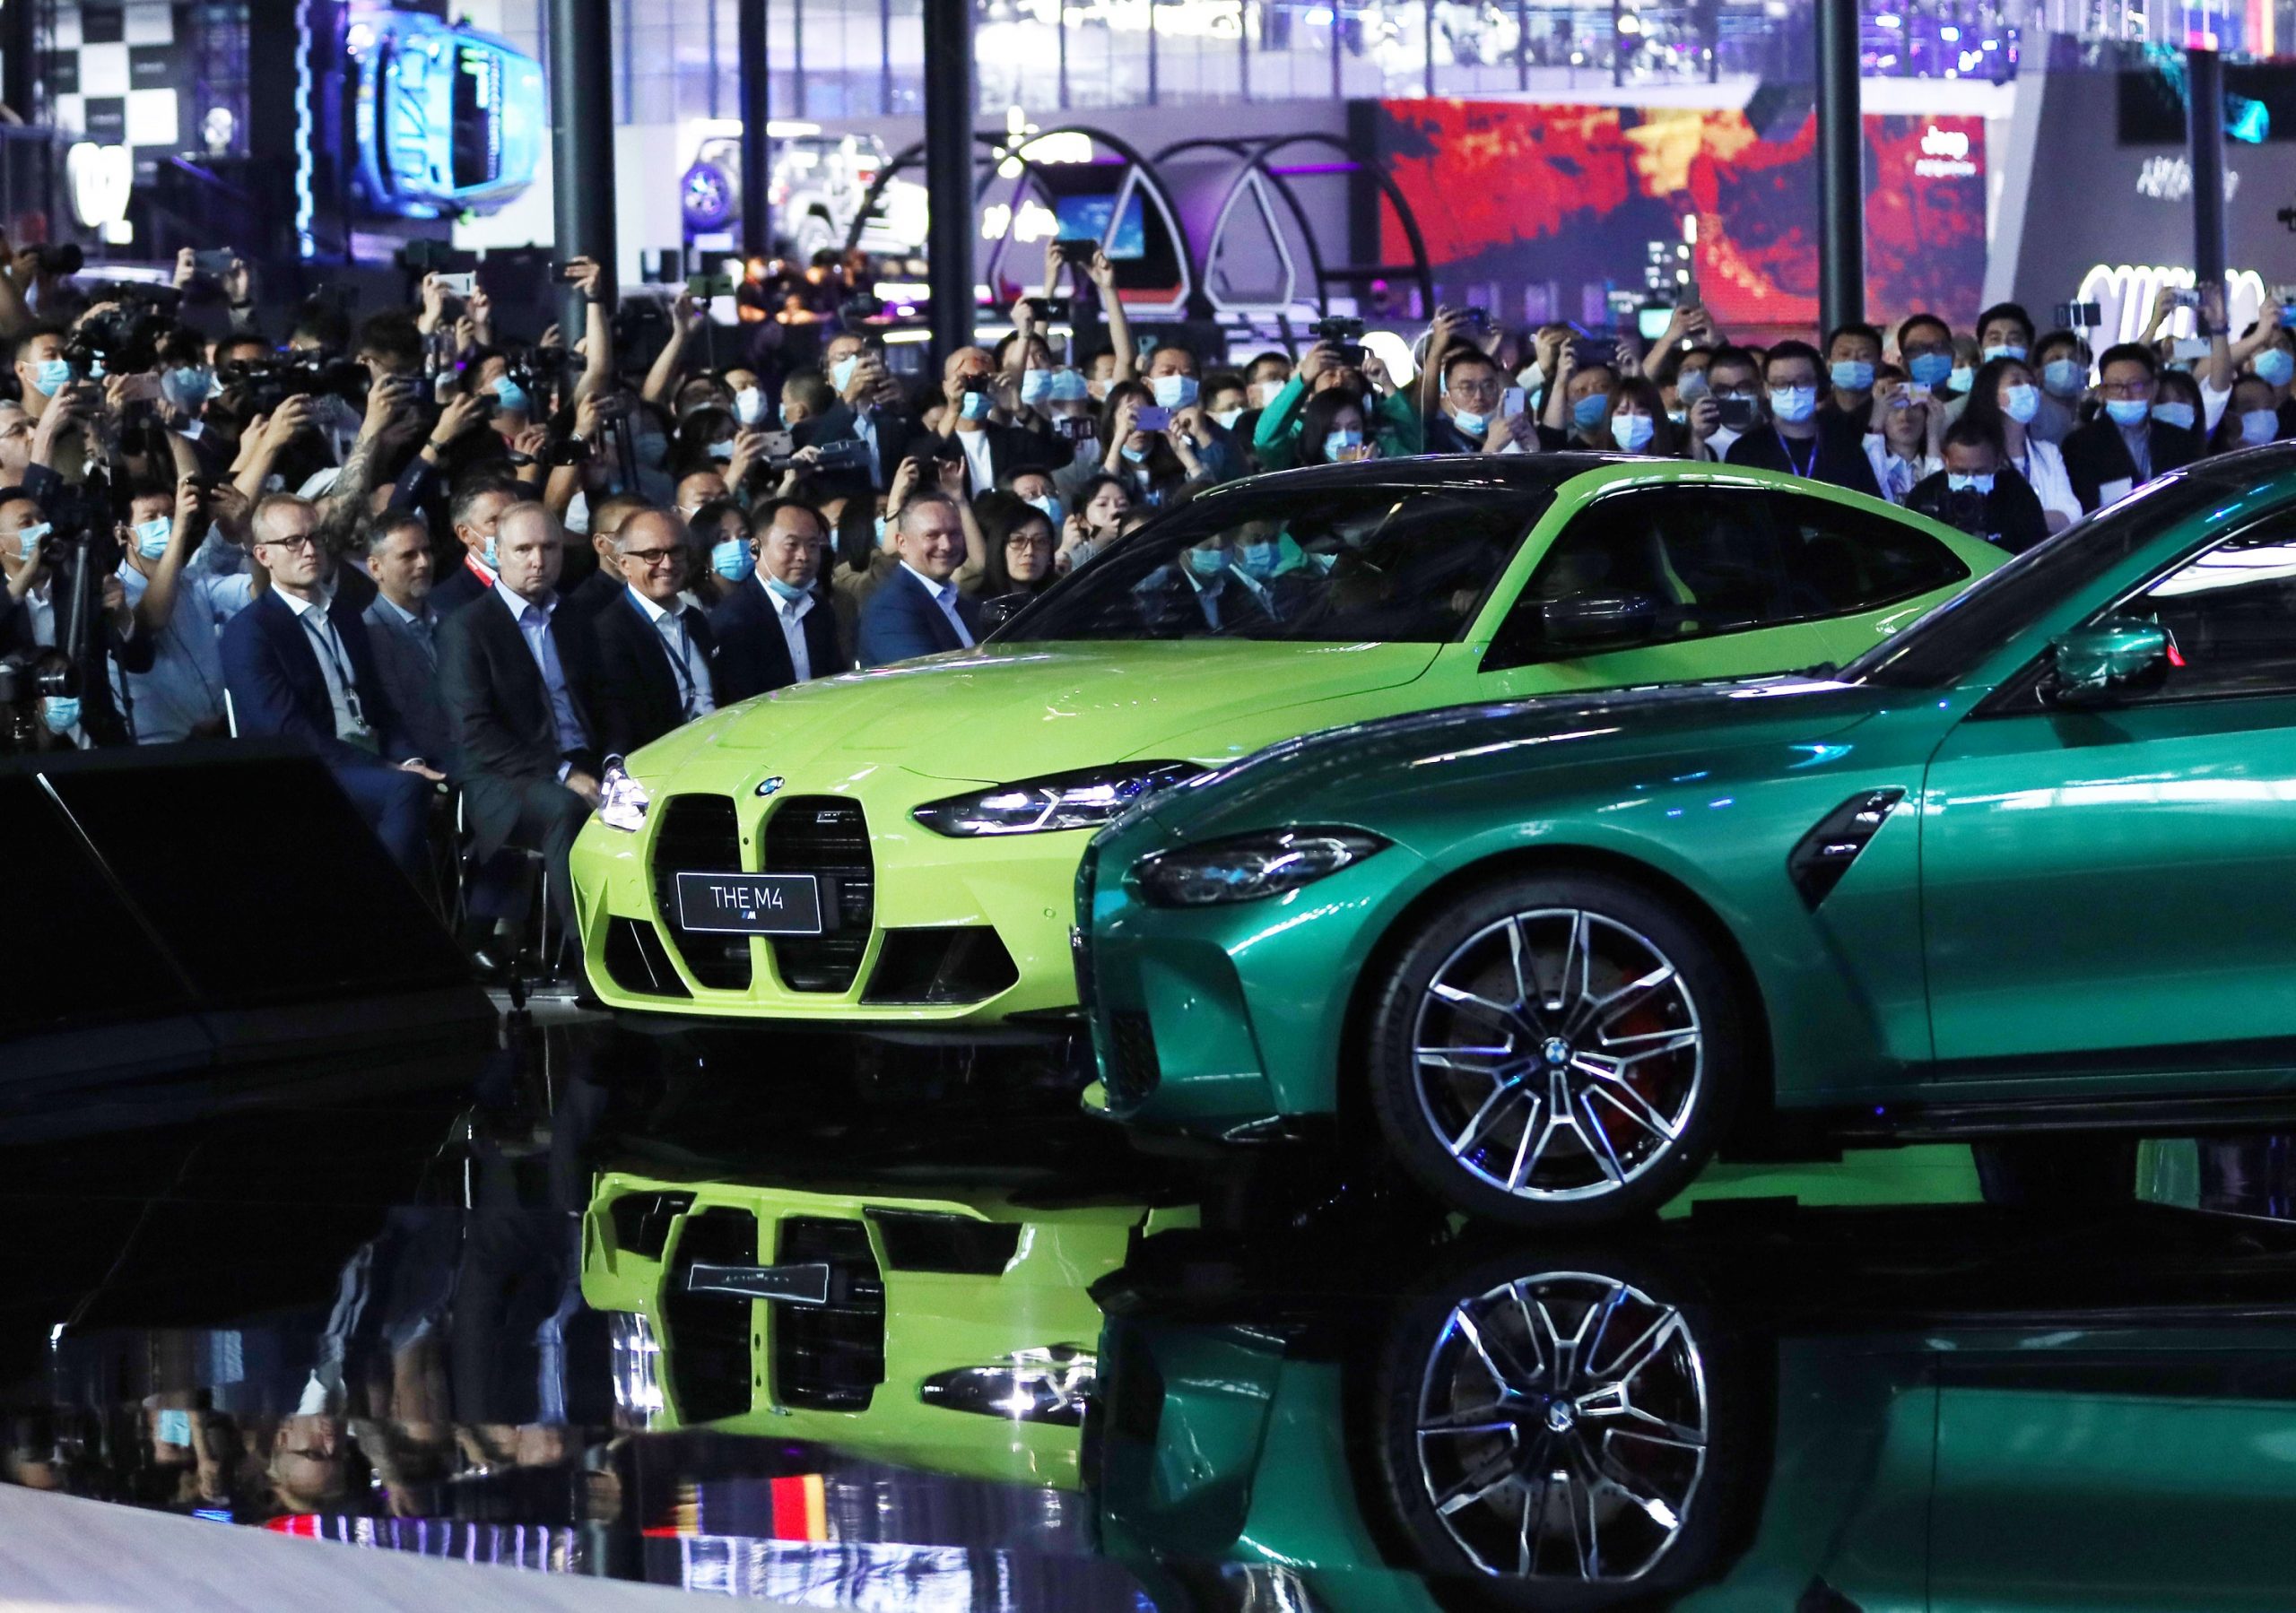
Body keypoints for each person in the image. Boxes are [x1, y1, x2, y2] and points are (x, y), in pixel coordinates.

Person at [218, 494, 438, 879]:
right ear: (263, 556)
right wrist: (390, 767)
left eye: (315, 537)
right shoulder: (249, 632)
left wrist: (411, 759)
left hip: (367, 760)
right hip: (306, 770)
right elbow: (285, 733)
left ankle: (487, 928)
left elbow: (379, 706)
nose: (309, 549)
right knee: (406, 790)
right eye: (293, 541)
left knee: (455, 777)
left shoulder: (345, 614)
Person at [436, 501, 604, 938]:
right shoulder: (467, 627)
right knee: (567, 810)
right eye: (524, 548)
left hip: (582, 760)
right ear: (498, 553)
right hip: (501, 778)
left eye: (549, 547)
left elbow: (609, 706)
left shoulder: (577, 619)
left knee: (653, 802)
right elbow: (476, 732)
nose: (538, 560)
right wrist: (563, 773)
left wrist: (616, 764)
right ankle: (589, 957)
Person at [112, 475, 254, 743]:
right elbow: (153, 618)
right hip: (162, 750)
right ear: (122, 533)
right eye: (151, 517)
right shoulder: (116, 596)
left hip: (223, 735)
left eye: (169, 514)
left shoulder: (194, 580)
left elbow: (259, 594)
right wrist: (179, 528)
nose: (164, 523)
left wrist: (247, 531)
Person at [589, 506, 719, 759]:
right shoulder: (609, 630)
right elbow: (620, 720)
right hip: (662, 761)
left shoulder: (695, 620)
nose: (667, 564)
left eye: (675, 551)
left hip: (720, 749)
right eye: (652, 554)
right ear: (625, 563)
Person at [712, 498, 848, 699]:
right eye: (791, 545)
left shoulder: (820, 609)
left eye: (812, 545)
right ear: (755, 549)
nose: (803, 555)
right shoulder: (734, 618)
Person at [360, 508, 454, 768]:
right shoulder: (367, 633)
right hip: (429, 767)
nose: (424, 563)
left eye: (427, 551)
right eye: (408, 556)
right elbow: (390, 717)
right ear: (376, 568)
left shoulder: (452, 623)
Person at [2059, 343, 2204, 512]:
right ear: (2103, 392)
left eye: (2135, 385)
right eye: (2115, 386)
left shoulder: (2179, 440)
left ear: (2153, 388)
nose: (2125, 394)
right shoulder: (2080, 444)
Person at [1724, 340, 1881, 495]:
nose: (1792, 390)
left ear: (1818, 384)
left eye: (1803, 382)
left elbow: (1871, 507)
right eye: (1780, 383)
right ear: (1766, 389)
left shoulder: (1845, 446)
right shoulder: (1745, 451)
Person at [857, 491, 980, 666]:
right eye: (932, 535)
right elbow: (925, 681)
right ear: (902, 543)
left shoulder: (960, 601)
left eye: (954, 534)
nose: (946, 545)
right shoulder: (890, 609)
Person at [1959, 357, 2080, 533]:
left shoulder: (2048, 452)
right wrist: (2038, 519)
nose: (2028, 389)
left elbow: (2072, 514)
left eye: (2031, 382)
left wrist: (2012, 520)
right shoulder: (1972, 455)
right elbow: (1977, 519)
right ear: (1990, 394)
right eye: (2016, 382)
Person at [1906, 418, 2051, 555]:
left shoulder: (2017, 493)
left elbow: (2035, 553)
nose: (1969, 481)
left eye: (1980, 472)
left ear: (1997, 462)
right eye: (1960, 472)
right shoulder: (1924, 497)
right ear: (1946, 461)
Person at [972, 490, 1059, 629]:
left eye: (1041, 542)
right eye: (1018, 541)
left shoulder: (1061, 601)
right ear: (999, 548)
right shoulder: (975, 610)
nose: (1029, 552)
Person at [1601, 377, 1674, 455]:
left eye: (1642, 413)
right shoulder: (1594, 464)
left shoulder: (1676, 463)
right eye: (1622, 413)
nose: (1631, 420)